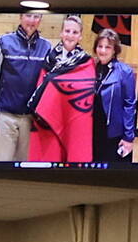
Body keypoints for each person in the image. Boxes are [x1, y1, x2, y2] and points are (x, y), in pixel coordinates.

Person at [0, 9, 52, 160]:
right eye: (28, 16)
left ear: (40, 20)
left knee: (25, 167)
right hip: (5, 116)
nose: (31, 20)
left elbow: (49, 85)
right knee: (2, 164)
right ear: (20, 17)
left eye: (36, 16)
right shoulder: (3, 42)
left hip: (30, 119)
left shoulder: (47, 47)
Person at [27, 16, 98, 163]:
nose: (70, 35)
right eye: (67, 31)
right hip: (49, 116)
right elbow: (41, 86)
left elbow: (87, 89)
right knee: (50, 158)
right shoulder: (49, 58)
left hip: (74, 118)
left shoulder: (86, 61)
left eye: (74, 32)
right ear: (61, 33)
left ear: (80, 36)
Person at [91, 28, 137, 164]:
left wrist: (128, 137)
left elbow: (130, 106)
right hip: (91, 133)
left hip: (113, 135)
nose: (103, 51)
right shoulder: (90, 68)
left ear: (114, 50)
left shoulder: (125, 72)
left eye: (108, 47)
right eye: (100, 46)